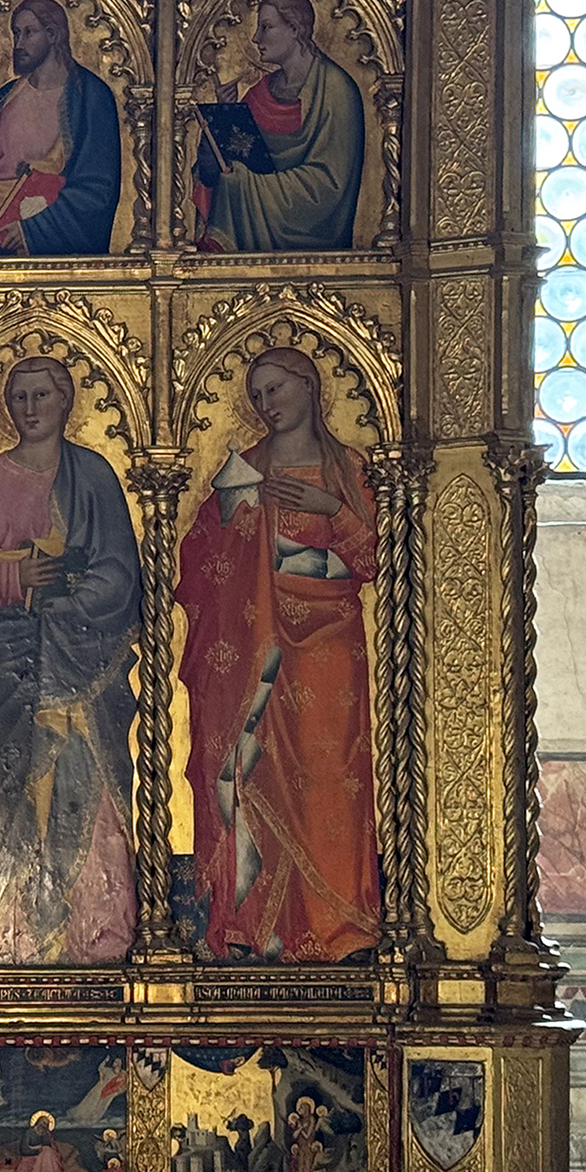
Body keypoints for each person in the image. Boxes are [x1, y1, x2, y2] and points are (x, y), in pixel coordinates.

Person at [178, 348, 381, 962]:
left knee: (328, 781)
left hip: (327, 649)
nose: (267, 405)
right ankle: (254, 928)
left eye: (276, 389)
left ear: (309, 385)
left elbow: (375, 559)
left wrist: (330, 511)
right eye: (257, 395)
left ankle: (337, 927)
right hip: (252, 651)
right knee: (246, 773)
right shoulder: (244, 471)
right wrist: (248, 538)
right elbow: (199, 558)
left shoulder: (348, 468)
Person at [0, 357, 140, 962]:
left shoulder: (94, 476)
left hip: (79, 661)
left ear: (65, 401)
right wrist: (18, 580)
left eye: (41, 396)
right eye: (19, 397)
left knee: (82, 779)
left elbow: (121, 573)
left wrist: (69, 602)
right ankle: (1, 930)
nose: (29, 409)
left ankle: (90, 930)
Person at [194, 0, 365, 253]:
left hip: (315, 241)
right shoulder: (259, 93)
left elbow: (329, 185)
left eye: (266, 27)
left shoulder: (336, 90)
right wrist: (225, 114)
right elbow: (219, 167)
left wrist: (243, 184)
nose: (256, 38)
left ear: (295, 29)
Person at [0, 0, 122, 258]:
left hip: (52, 235)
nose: (18, 44)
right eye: (16, 33)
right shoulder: (7, 96)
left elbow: (98, 187)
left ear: (52, 35)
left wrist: (33, 230)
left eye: (29, 33)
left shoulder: (91, 97)